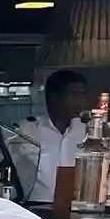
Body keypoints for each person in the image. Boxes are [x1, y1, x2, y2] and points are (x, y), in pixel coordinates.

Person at [26, 70, 91, 203]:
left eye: (82, 95)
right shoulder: (28, 131)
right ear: (53, 98)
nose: (80, 102)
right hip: (36, 209)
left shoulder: (88, 132)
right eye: (73, 95)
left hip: (78, 209)